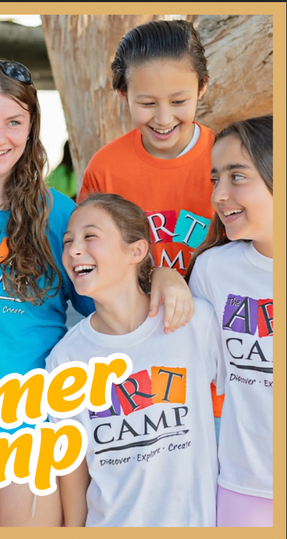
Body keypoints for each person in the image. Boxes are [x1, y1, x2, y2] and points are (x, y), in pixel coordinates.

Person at [0, 58, 195, 527]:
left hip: (34, 421)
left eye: (14, 122)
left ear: (31, 129)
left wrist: (165, 278)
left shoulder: (63, 218)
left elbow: (117, 302)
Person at [77, 18, 224, 432]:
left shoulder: (227, 161)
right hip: (136, 378)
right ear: (123, 94)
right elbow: (89, 271)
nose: (163, 118)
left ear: (202, 88)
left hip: (215, 374)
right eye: (147, 103)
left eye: (179, 101)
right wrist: (155, 276)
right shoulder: (106, 168)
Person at [46, 194, 220, 526]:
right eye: (68, 242)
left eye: (90, 236)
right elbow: (73, 469)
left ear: (136, 251)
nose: (73, 250)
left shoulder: (192, 323)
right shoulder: (65, 359)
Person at [186, 116, 273, 527]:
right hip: (242, 486)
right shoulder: (213, 270)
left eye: (237, 176)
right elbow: (205, 371)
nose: (220, 195)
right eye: (215, 178)